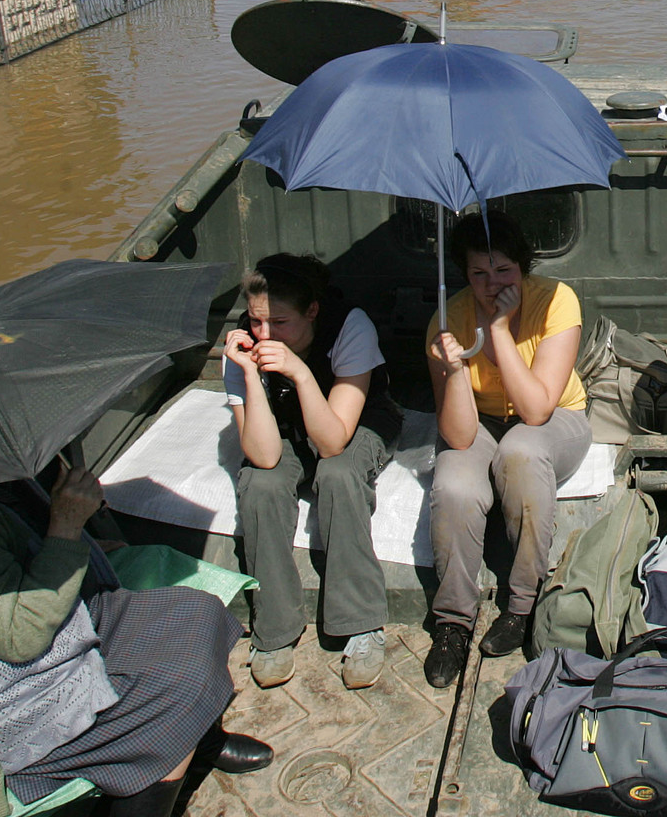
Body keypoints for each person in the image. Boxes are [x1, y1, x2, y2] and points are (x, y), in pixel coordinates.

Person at [0, 466, 272, 817]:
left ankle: (196, 733)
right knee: (176, 688)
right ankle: (177, 743)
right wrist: (67, 524)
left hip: (43, 628)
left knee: (196, 613)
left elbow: (6, 563)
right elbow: (19, 637)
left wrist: (74, 533)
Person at [423, 212, 591, 687]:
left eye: (503, 271)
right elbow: (457, 436)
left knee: (520, 452)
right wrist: (454, 370)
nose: (491, 283)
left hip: (554, 417)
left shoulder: (557, 301)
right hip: (479, 420)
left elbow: (537, 408)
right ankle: (453, 621)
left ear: (523, 268)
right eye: (479, 273)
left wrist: (498, 330)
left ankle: (522, 604)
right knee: (454, 484)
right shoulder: (447, 318)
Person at [224, 254, 402, 691]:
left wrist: (300, 373)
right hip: (285, 428)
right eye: (256, 322)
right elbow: (264, 456)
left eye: (280, 323)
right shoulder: (242, 347)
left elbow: (331, 442)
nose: (265, 335)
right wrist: (249, 375)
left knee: (338, 475)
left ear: (312, 311)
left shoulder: (349, 327)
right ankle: (274, 631)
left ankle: (361, 624)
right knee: (259, 485)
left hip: (350, 422)